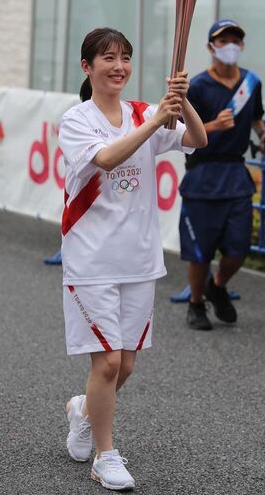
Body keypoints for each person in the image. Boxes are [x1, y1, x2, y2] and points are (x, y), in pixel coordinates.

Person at [58, 27, 206, 490]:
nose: (119, 66)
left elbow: (198, 140)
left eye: (125, 57)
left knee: (125, 366)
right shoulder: (77, 120)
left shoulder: (144, 112)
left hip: (139, 259)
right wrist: (156, 119)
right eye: (108, 58)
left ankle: (84, 409)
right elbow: (106, 158)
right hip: (91, 259)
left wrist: (182, 102)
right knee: (106, 363)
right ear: (87, 67)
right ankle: (105, 455)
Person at [179, 19, 265, 331]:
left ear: (242, 46)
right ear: (211, 47)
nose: (230, 46)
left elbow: (256, 117)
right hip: (203, 173)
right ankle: (196, 303)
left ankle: (217, 286)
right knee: (200, 251)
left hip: (235, 174)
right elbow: (181, 134)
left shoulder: (251, 83)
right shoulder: (197, 87)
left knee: (239, 248)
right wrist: (214, 126)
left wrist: (263, 135)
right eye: (223, 41)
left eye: (235, 40)